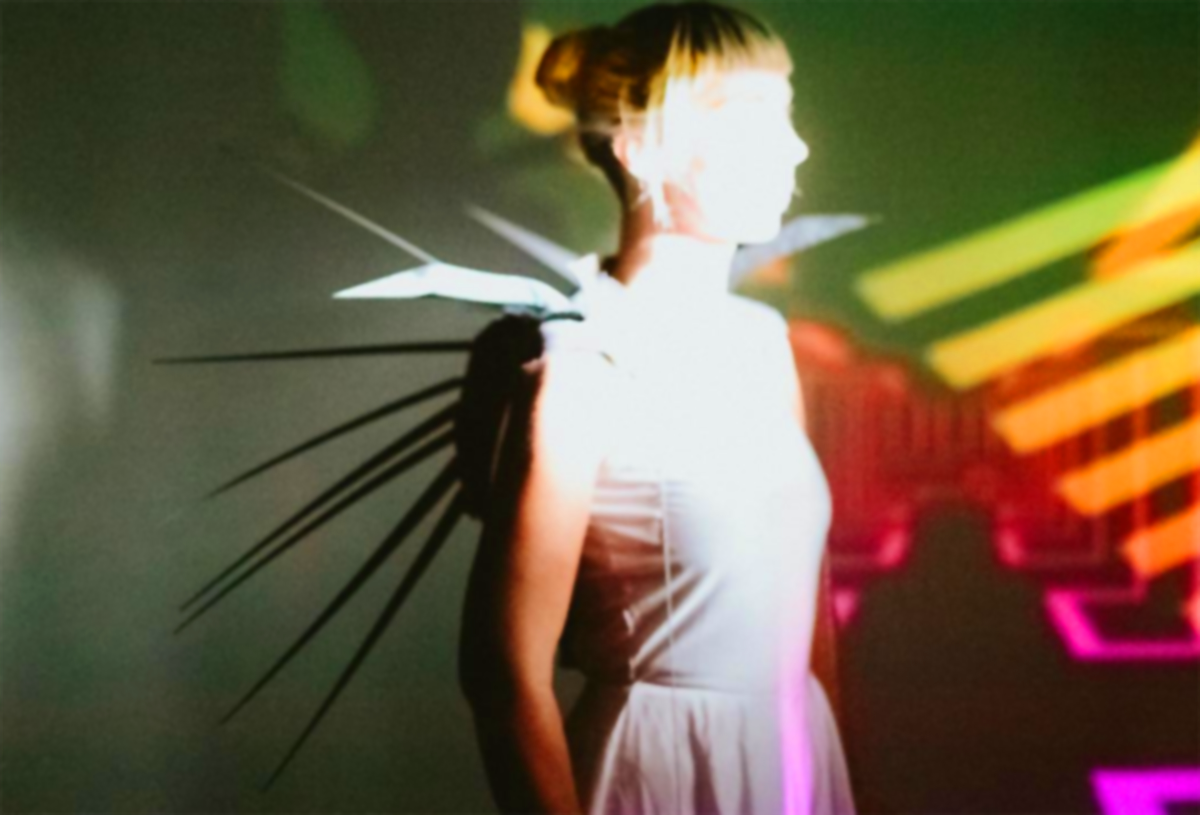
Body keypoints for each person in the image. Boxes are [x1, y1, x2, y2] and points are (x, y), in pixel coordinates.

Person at [458, 3, 859, 813]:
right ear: (639, 145)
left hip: (793, 765)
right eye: (749, 118)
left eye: (784, 112)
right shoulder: (582, 364)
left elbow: (808, 627)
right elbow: (502, 675)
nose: (794, 146)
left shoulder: (762, 340)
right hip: (660, 774)